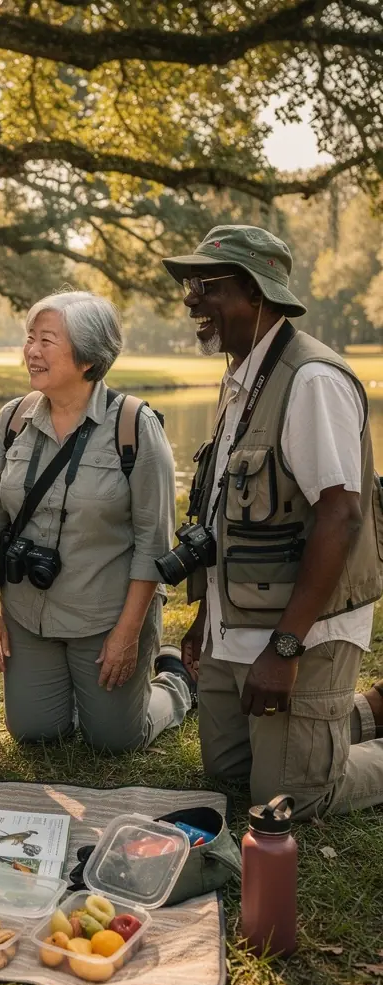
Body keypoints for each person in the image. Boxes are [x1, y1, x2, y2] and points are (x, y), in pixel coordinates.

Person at [163, 225, 383, 820]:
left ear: (254, 294)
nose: (190, 300)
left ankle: (337, 743)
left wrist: (285, 649)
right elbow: (226, 516)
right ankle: (361, 714)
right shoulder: (239, 377)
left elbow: (341, 516)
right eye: (189, 285)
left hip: (301, 630)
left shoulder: (312, 381)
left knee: (290, 797)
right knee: (228, 771)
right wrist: (206, 619)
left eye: (204, 286)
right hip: (238, 622)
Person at [0, 291, 193, 750]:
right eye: (29, 338)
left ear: (89, 358)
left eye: (47, 340)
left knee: (116, 740)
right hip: (28, 615)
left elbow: (153, 543)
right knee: (35, 731)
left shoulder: (134, 425)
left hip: (105, 617)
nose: (31, 350)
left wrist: (128, 634)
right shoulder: (12, 419)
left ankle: (176, 684)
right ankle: (75, 691)